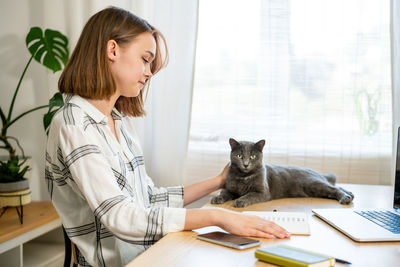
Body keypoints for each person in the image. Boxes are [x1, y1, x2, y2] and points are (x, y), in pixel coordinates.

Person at [45, 6, 289, 267]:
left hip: (152, 254)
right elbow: (120, 216)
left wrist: (219, 181)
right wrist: (216, 217)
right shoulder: (73, 125)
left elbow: (148, 199)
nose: (149, 72)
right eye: (145, 59)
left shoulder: (118, 121)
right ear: (112, 50)